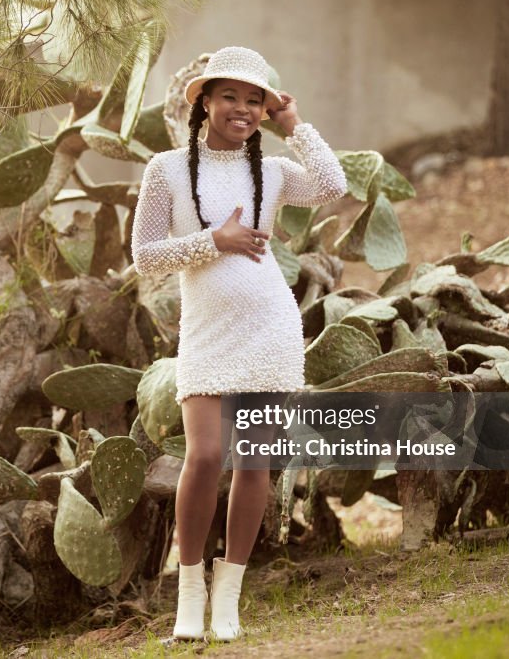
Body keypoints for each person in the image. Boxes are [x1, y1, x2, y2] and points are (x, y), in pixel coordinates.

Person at [129, 46, 348, 642]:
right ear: (203, 100)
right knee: (203, 457)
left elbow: (333, 182)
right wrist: (213, 240)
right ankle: (190, 589)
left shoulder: (273, 171)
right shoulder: (166, 171)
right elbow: (144, 257)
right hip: (206, 334)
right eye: (231, 96)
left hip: (271, 329)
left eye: (255, 100)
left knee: (254, 463)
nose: (243, 110)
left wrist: (292, 125)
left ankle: (230, 594)